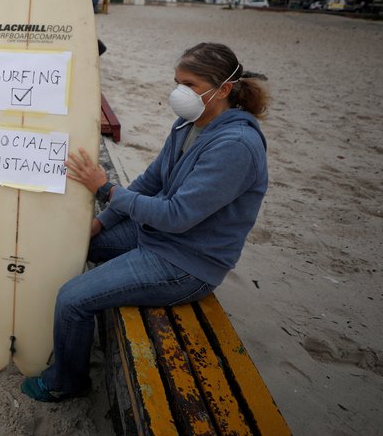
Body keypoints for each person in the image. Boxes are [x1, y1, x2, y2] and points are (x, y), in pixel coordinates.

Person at [21, 42, 269, 402]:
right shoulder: (188, 123)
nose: (179, 92)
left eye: (190, 84)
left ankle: (65, 382)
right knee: (69, 243)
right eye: (177, 82)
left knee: (72, 299)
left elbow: (177, 216)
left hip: (187, 261)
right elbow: (151, 182)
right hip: (157, 235)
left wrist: (105, 188)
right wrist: (102, 223)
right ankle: (57, 334)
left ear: (224, 89)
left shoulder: (237, 146)